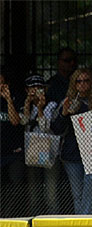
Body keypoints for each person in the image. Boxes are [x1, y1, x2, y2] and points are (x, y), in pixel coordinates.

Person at [51, 68, 92, 214]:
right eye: (78, 81)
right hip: (72, 153)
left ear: (91, 83)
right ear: (73, 84)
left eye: (86, 80)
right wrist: (64, 114)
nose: (82, 84)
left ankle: (87, 222)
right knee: (77, 195)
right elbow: (56, 129)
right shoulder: (67, 102)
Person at [21, 75, 60, 215]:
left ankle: (53, 223)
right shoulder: (24, 103)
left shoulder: (52, 105)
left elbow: (44, 127)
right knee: (33, 192)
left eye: (40, 88)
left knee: (51, 193)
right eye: (33, 88)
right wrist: (27, 104)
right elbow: (23, 122)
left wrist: (40, 108)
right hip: (31, 150)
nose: (36, 90)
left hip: (48, 150)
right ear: (27, 90)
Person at [0, 72, 26, 217]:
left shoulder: (15, 98)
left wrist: (8, 99)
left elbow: (15, 121)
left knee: (16, 186)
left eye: (2, 84)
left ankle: (9, 216)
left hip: (13, 153)